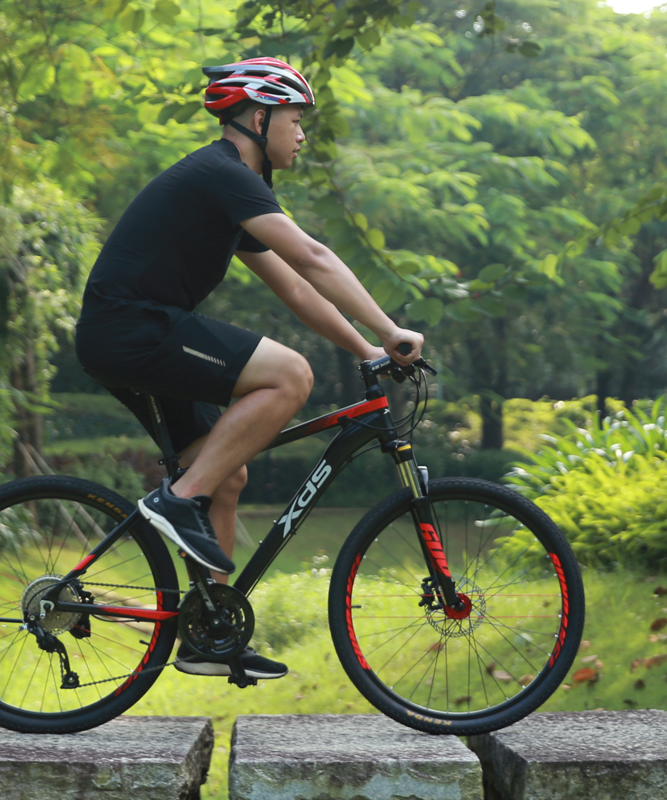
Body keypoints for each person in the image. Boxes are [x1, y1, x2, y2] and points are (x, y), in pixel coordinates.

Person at [75, 57, 424, 681]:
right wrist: (390, 328)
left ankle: (209, 635)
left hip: (134, 334)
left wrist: (367, 350)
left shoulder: (232, 191)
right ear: (258, 118)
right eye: (295, 118)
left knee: (228, 475)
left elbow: (296, 288)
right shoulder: (222, 172)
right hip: (130, 329)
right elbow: (315, 257)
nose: (302, 133)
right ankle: (179, 500)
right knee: (290, 375)